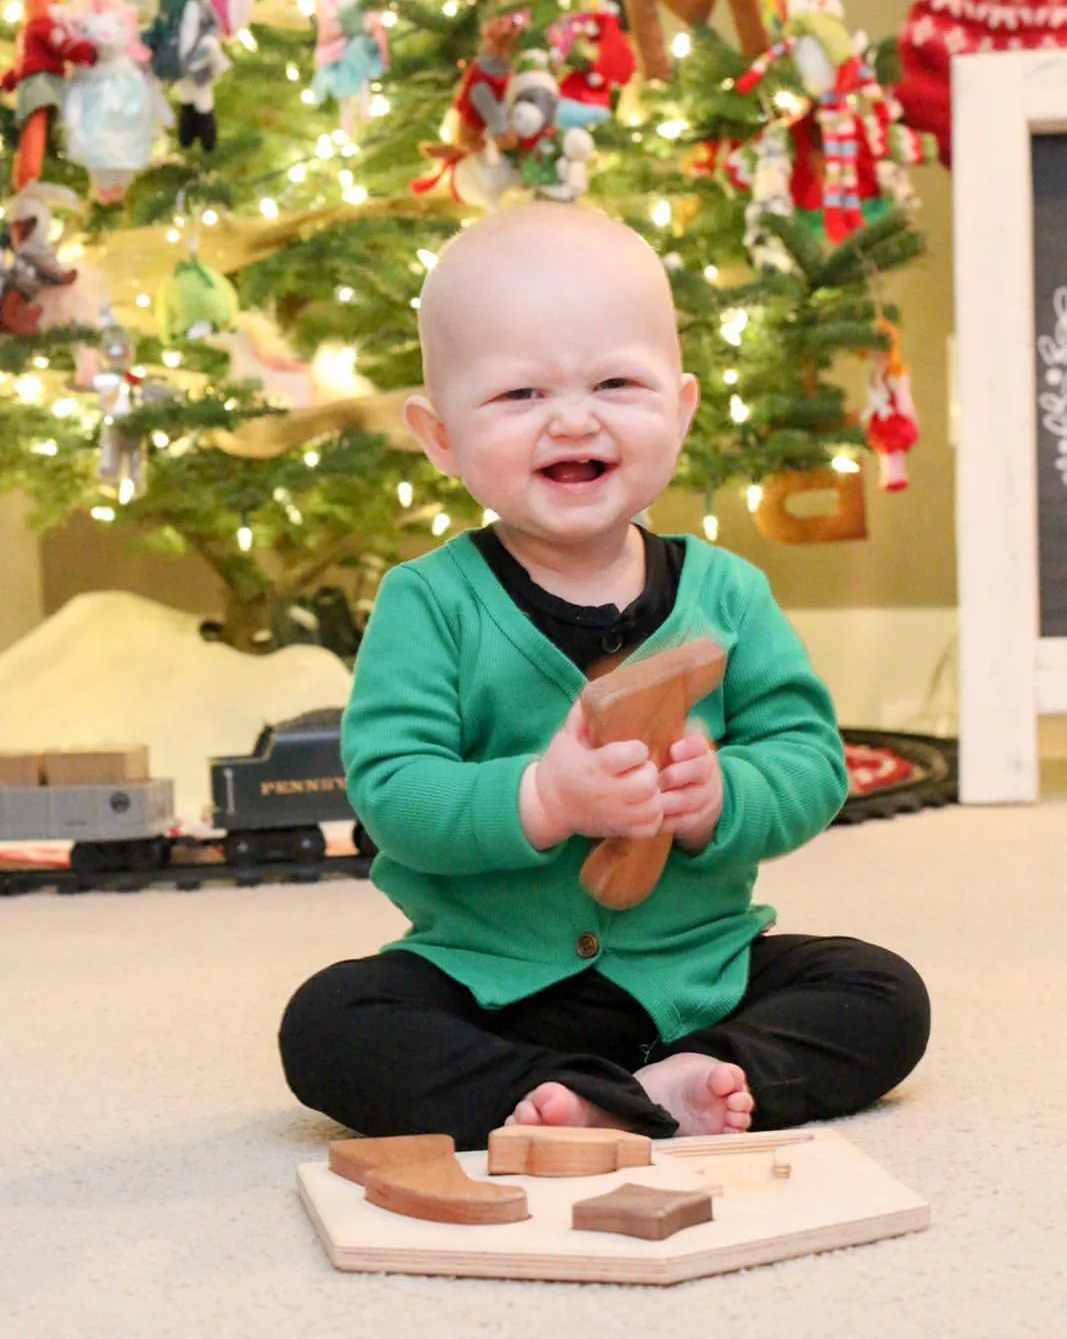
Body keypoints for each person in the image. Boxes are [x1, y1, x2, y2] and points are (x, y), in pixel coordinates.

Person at [279, 204, 930, 1148]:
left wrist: (723, 796)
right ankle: (577, 1093)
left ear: (682, 406)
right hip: (491, 981)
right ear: (440, 437)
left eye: (617, 382)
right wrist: (542, 797)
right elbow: (393, 793)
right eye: (519, 396)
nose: (573, 419)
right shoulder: (430, 603)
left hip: (701, 972)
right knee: (329, 1025)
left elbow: (812, 760)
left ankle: (690, 1075)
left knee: (884, 995)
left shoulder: (727, 594)